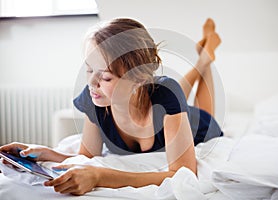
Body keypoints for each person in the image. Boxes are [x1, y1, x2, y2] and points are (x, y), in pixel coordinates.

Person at [0, 18, 222, 195]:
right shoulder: (94, 98)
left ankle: (204, 60)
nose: (91, 83)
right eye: (88, 70)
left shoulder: (165, 94)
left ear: (138, 80)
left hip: (198, 125)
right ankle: (203, 59)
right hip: (155, 99)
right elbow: (87, 155)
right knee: (168, 95)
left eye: (105, 78)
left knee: (182, 100)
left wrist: (100, 176)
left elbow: (182, 173)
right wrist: (44, 154)